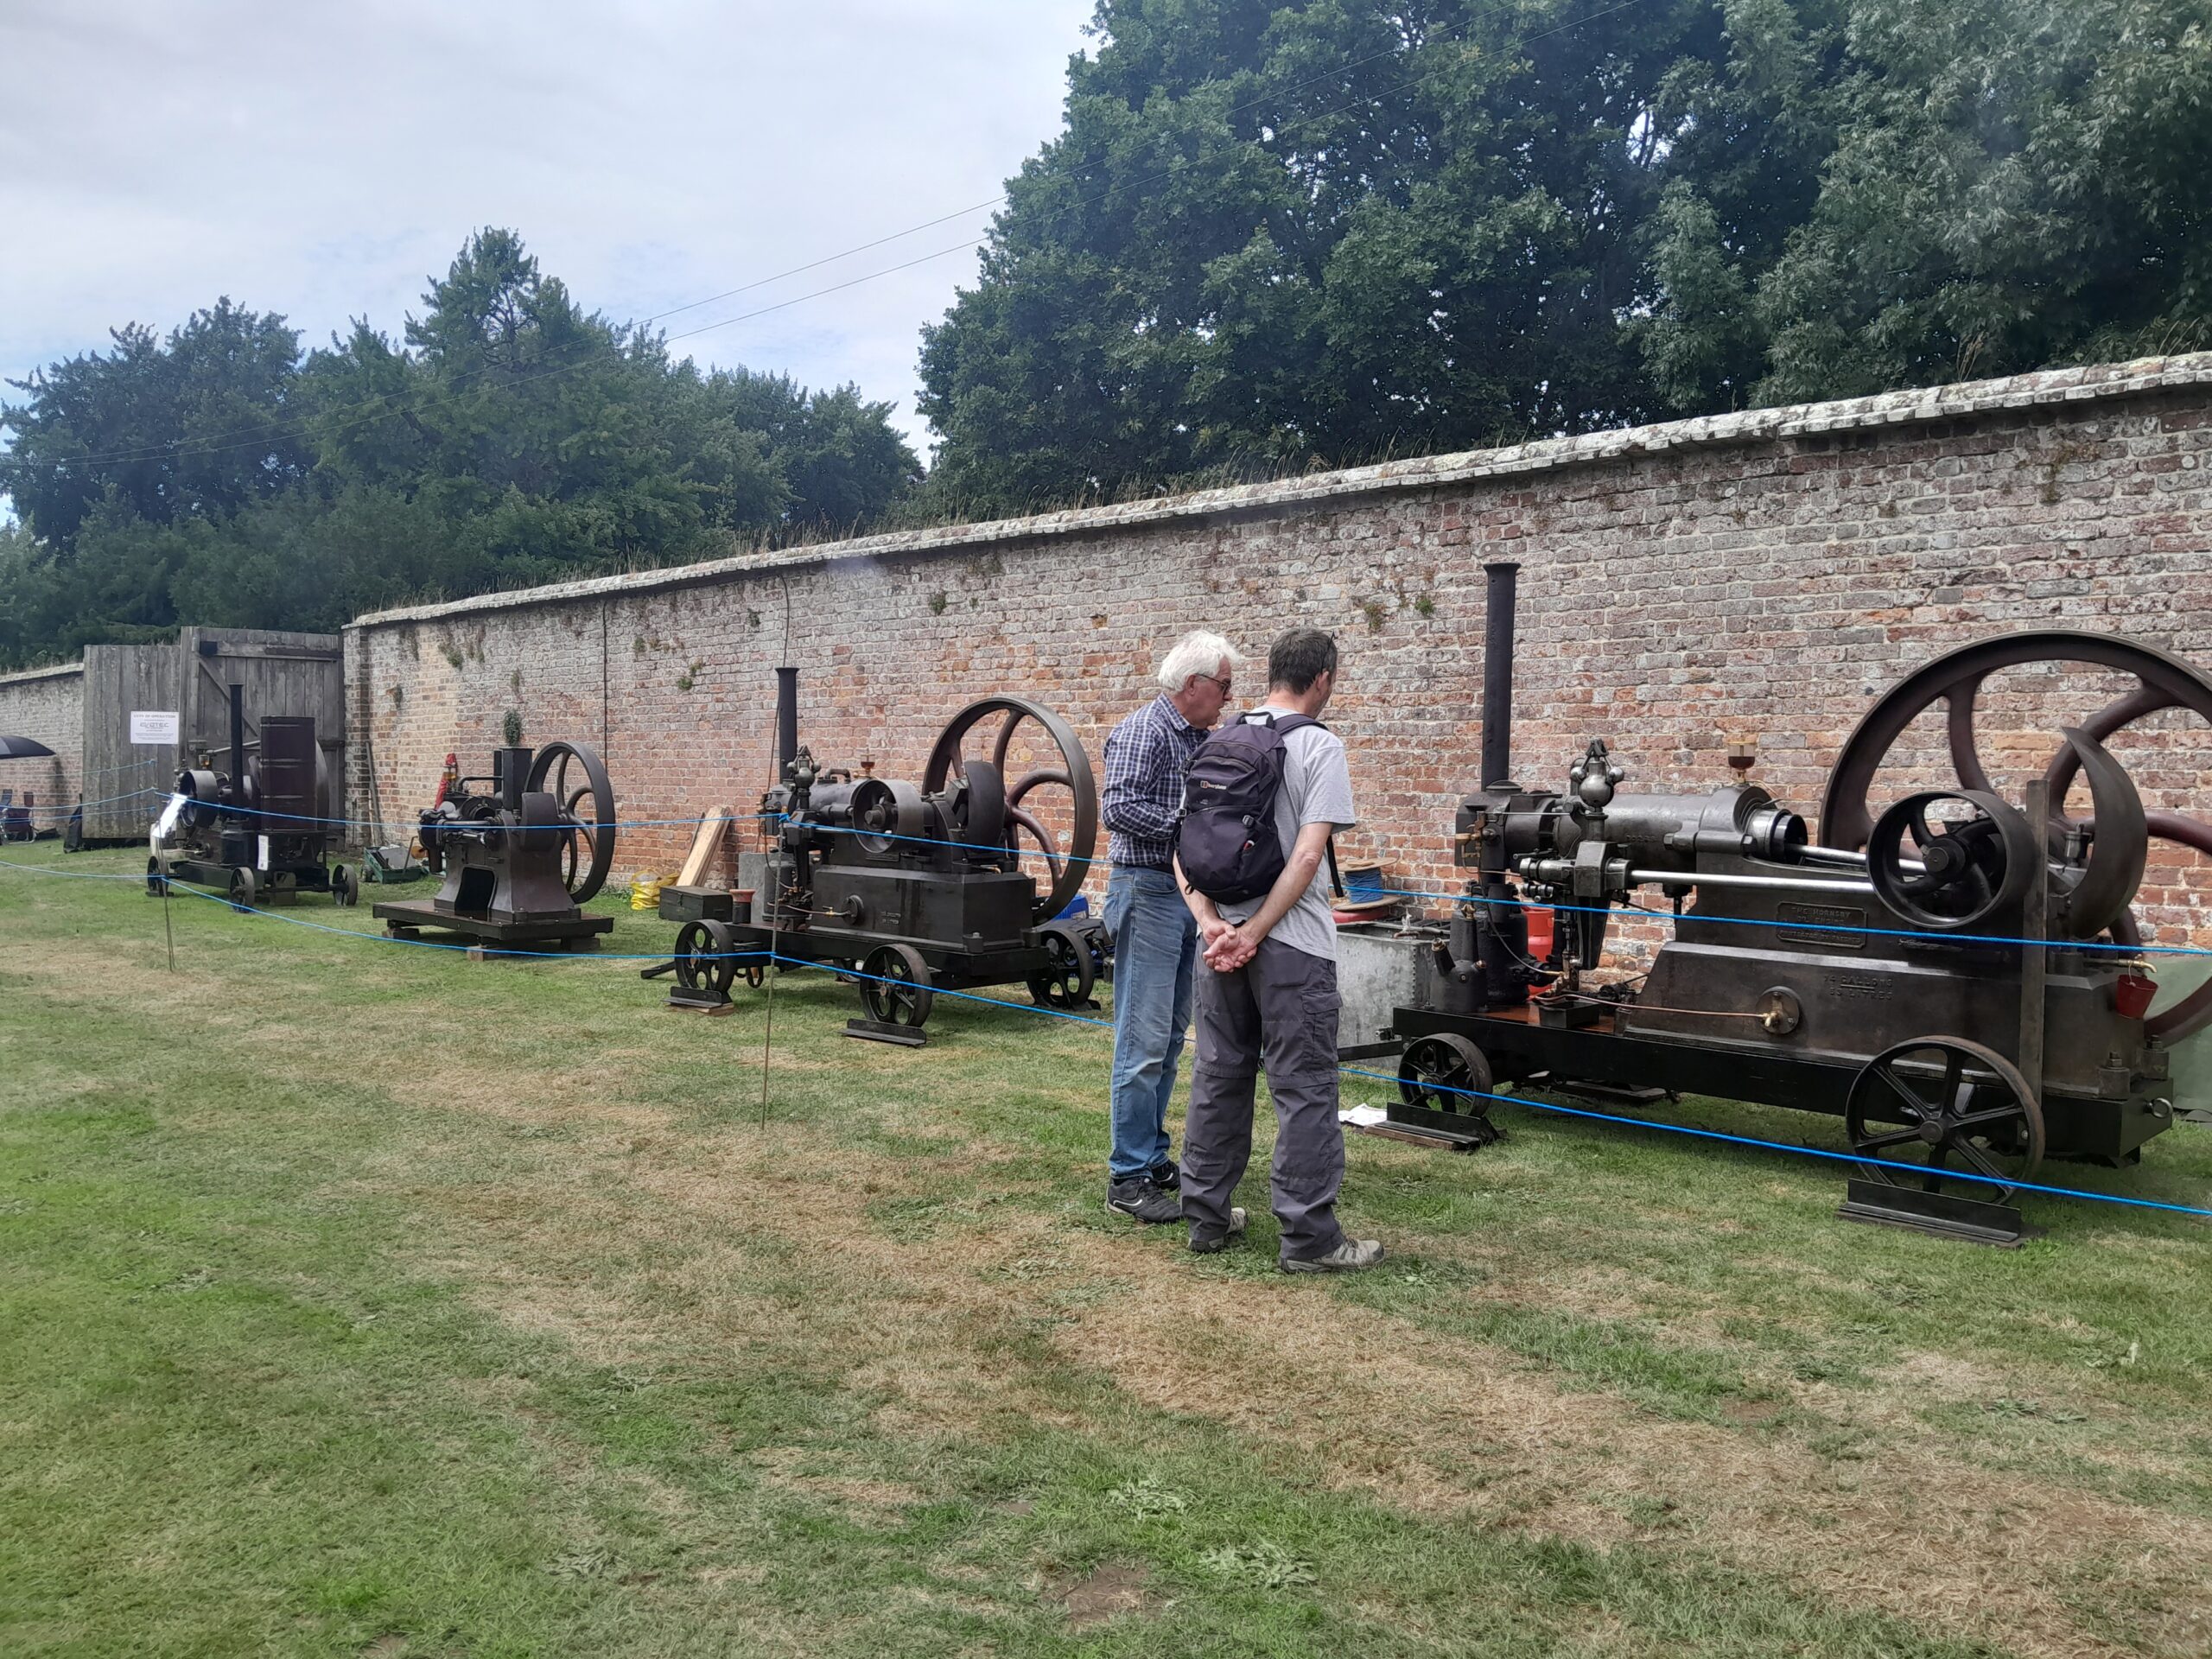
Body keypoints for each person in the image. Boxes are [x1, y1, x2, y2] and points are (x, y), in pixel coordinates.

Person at [1175, 627, 1384, 1272]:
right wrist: (1257, 931)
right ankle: (1310, 1239)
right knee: (1306, 1089)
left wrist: (1212, 924)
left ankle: (1206, 1218)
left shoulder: (1220, 741)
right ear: (1322, 678)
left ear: (1271, 675)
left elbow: (1182, 852)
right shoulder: (1320, 747)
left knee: (1219, 1076)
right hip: (1291, 947)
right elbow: (1307, 855)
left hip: (1222, 950)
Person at [1100, 629, 1243, 1224]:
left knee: (1166, 1040)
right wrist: (1189, 826)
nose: (1229, 699)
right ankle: (1127, 1177)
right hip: (1148, 891)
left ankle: (1154, 1157)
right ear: (1194, 685)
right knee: (1141, 1043)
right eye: (1225, 687)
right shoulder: (1145, 730)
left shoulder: (1197, 737)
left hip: (1183, 898)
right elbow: (1118, 806)